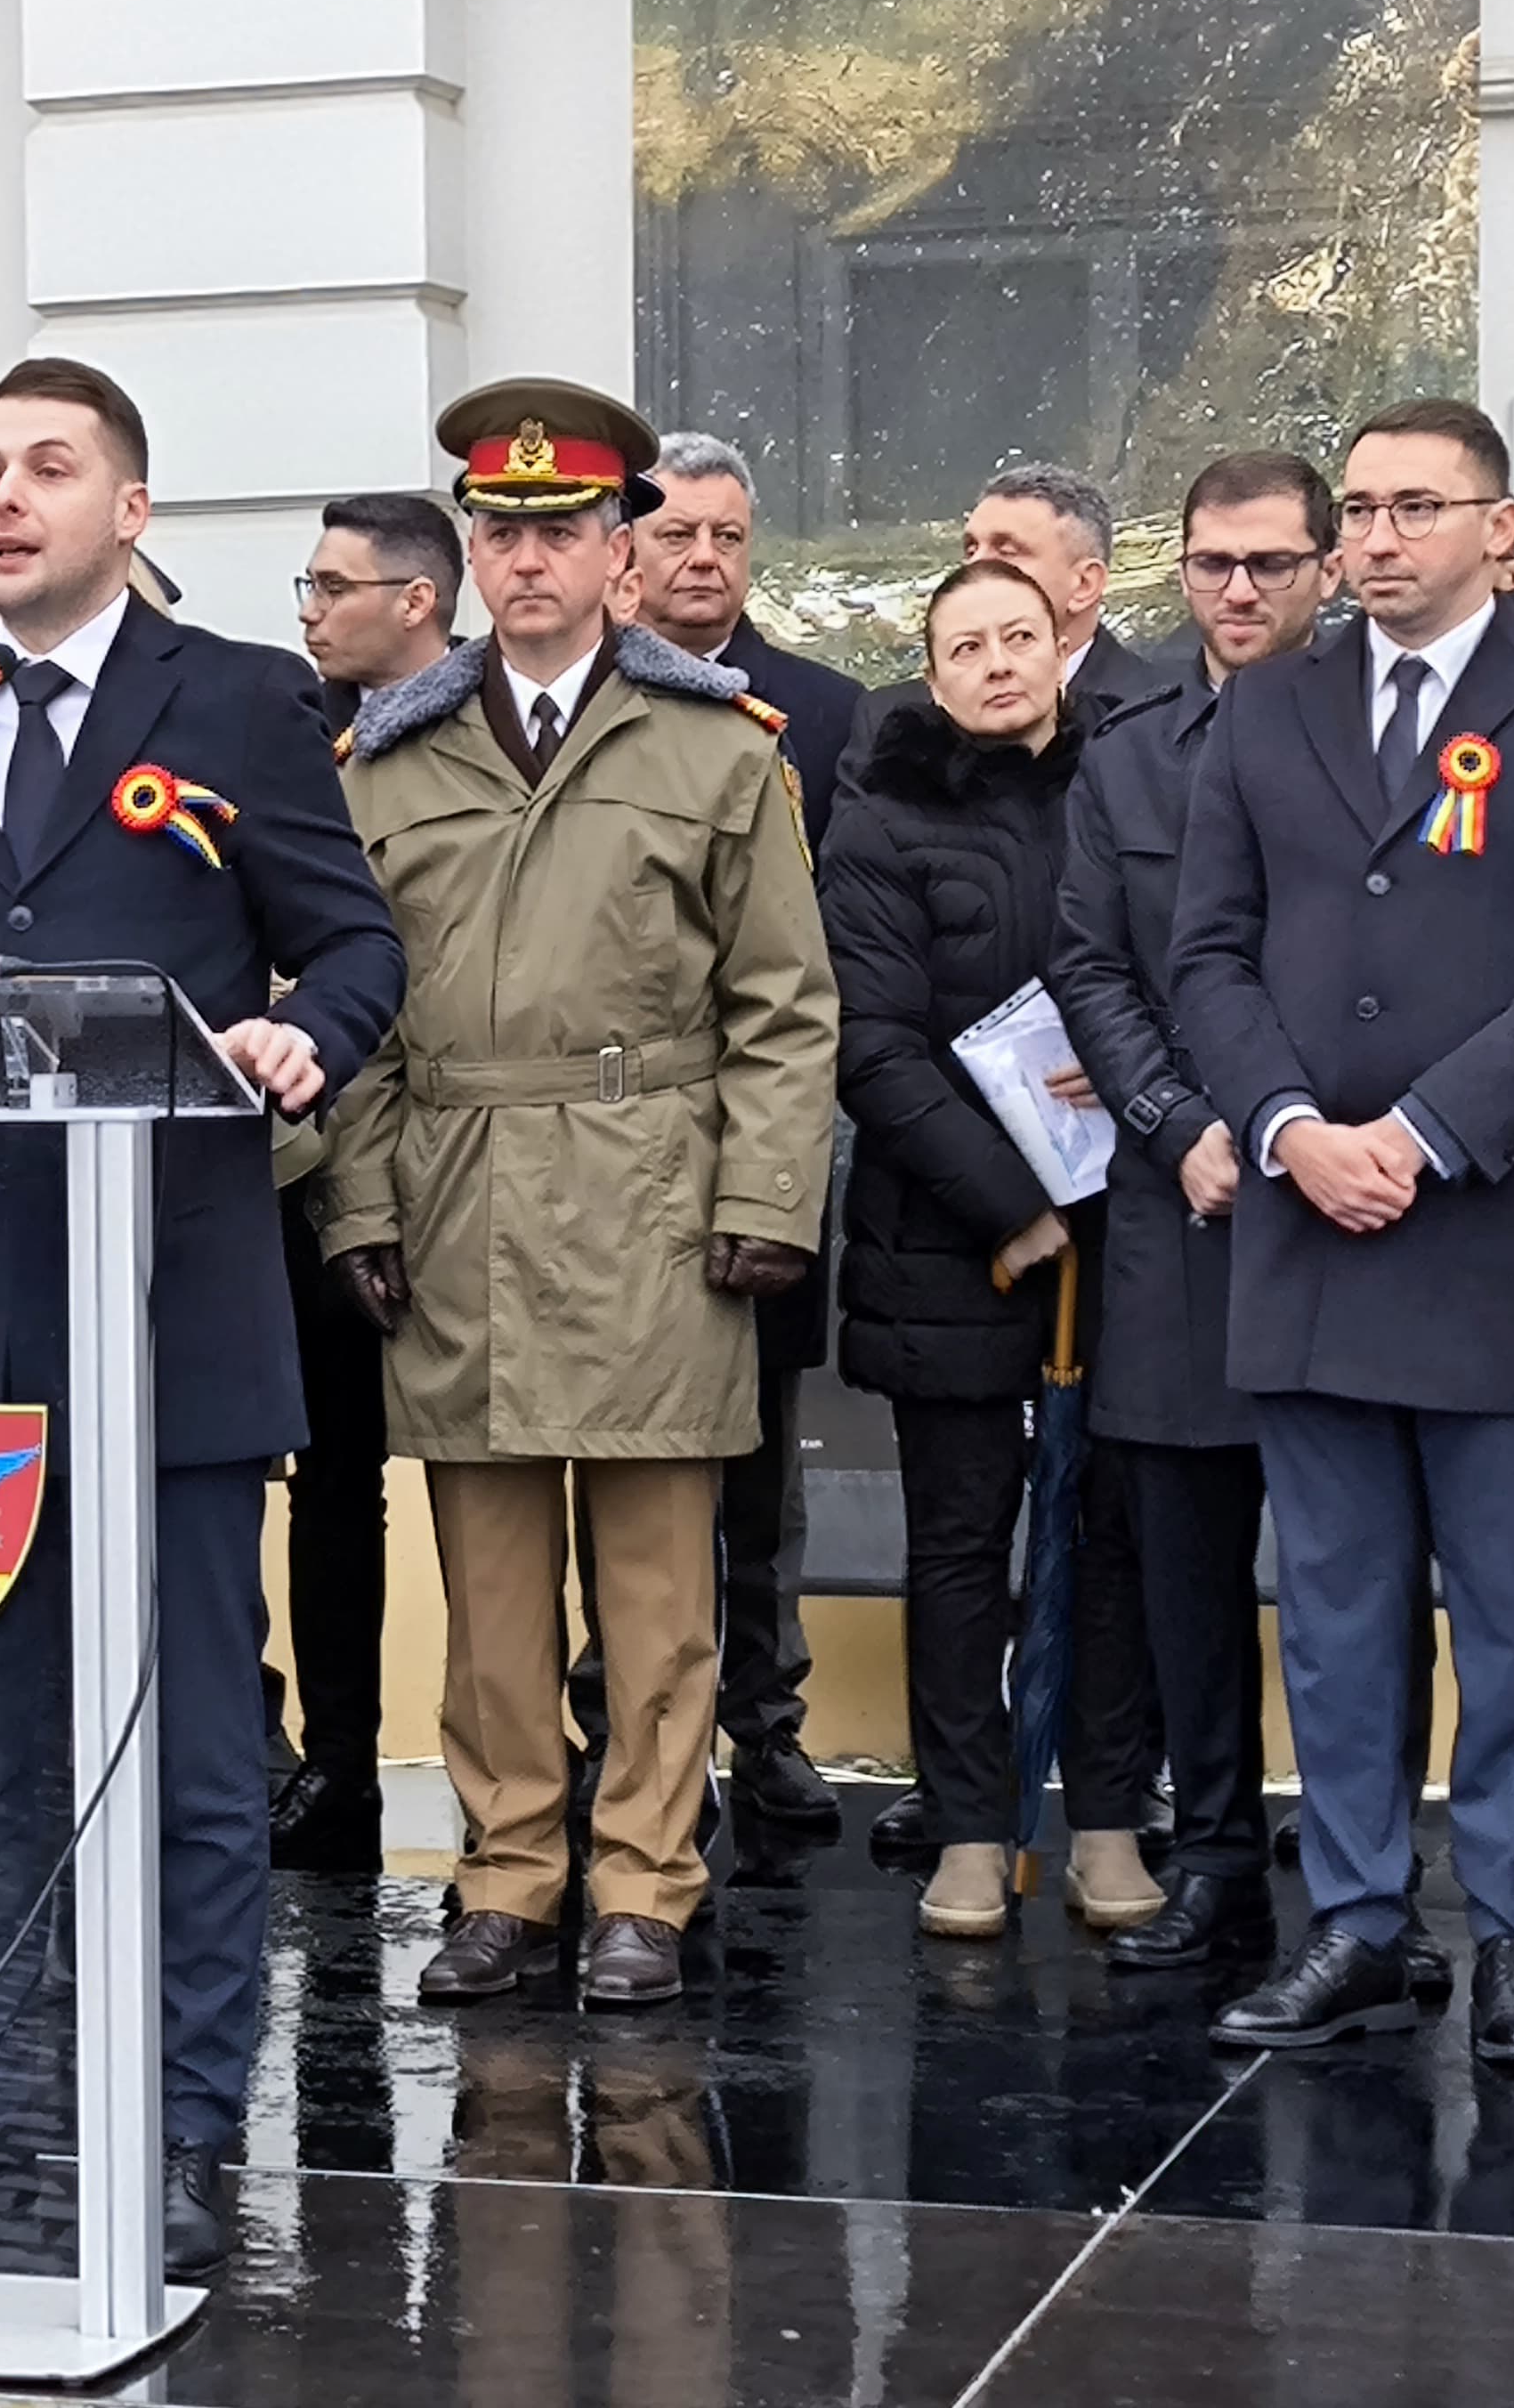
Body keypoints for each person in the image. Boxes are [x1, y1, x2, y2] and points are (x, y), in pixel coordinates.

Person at [0, 356, 401, 2279]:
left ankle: (171, 2127)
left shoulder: (234, 698)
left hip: (169, 1310)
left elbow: (353, 942)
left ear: (129, 511)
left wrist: (293, 1042)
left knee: (179, 1751)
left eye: (48, 469)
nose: (3, 499)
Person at [320, 377, 836, 2008]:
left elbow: (783, 1000)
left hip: (651, 1194)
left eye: (561, 530)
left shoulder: (711, 747)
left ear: (622, 553)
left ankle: (645, 1880)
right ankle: (509, 1871)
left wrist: (765, 1197)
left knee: (659, 1587)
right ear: (467, 554)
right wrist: (356, 1205)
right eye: (501, 530)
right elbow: (352, 1000)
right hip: (457, 1189)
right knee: (485, 1593)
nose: (528, 558)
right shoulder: (384, 763)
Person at [1174, 399, 1514, 2072]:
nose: (1373, 541)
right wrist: (1296, 1129)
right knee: (1331, 1600)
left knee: (1512, 1607)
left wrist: (1429, 1131)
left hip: (1490, 1222)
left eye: (1410, 510)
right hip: (1309, 1221)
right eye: (1359, 512)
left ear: (1495, 528)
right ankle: (1362, 1923)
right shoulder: (1266, 709)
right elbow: (1208, 956)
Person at [818, 559, 1144, 1940]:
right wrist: (1013, 1206)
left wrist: (1132, 1091)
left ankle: (1114, 1815)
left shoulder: (1131, 786)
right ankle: (967, 1823)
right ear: (932, 669)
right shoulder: (880, 809)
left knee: (1113, 1534)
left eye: (1022, 636)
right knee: (958, 1542)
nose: (999, 662)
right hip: (948, 1234)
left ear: (1065, 643)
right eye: (968, 644)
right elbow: (871, 1041)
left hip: (1131, 1225)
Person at [1052, 453, 1336, 1974]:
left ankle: (1356, 1872)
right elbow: (1090, 967)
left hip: (1357, 1199)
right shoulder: (1132, 749)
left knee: (1360, 1553)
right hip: (1191, 1209)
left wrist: (1317, 1129)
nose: (1238, 591)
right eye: (1214, 563)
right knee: (1183, 1559)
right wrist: (1181, 1126)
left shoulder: (1383, 728)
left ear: (1325, 570)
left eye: (1270, 564)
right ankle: (1216, 1849)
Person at [606, 430, 865, 1835]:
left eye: (728, 538)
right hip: (602, 1147)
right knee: (606, 1457)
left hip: (758, 1136)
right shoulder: (577, 710)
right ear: (626, 556)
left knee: (756, 1457)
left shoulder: (823, 715)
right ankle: (625, 1729)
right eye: (676, 536)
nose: (703, 560)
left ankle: (763, 1729)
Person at [264, 492, 462, 1874]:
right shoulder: (302, 742)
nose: (312, 610)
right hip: (318, 1149)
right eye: (308, 585)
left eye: (335, 587)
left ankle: (522, 1765)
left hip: (451, 1148)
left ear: (417, 601)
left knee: (487, 1479)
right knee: (329, 1475)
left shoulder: (475, 741)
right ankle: (337, 1762)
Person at [843, 465, 1175, 790]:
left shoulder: (1168, 714)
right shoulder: (890, 718)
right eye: (971, 548)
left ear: (1085, 584)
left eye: (1007, 550)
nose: (976, 566)